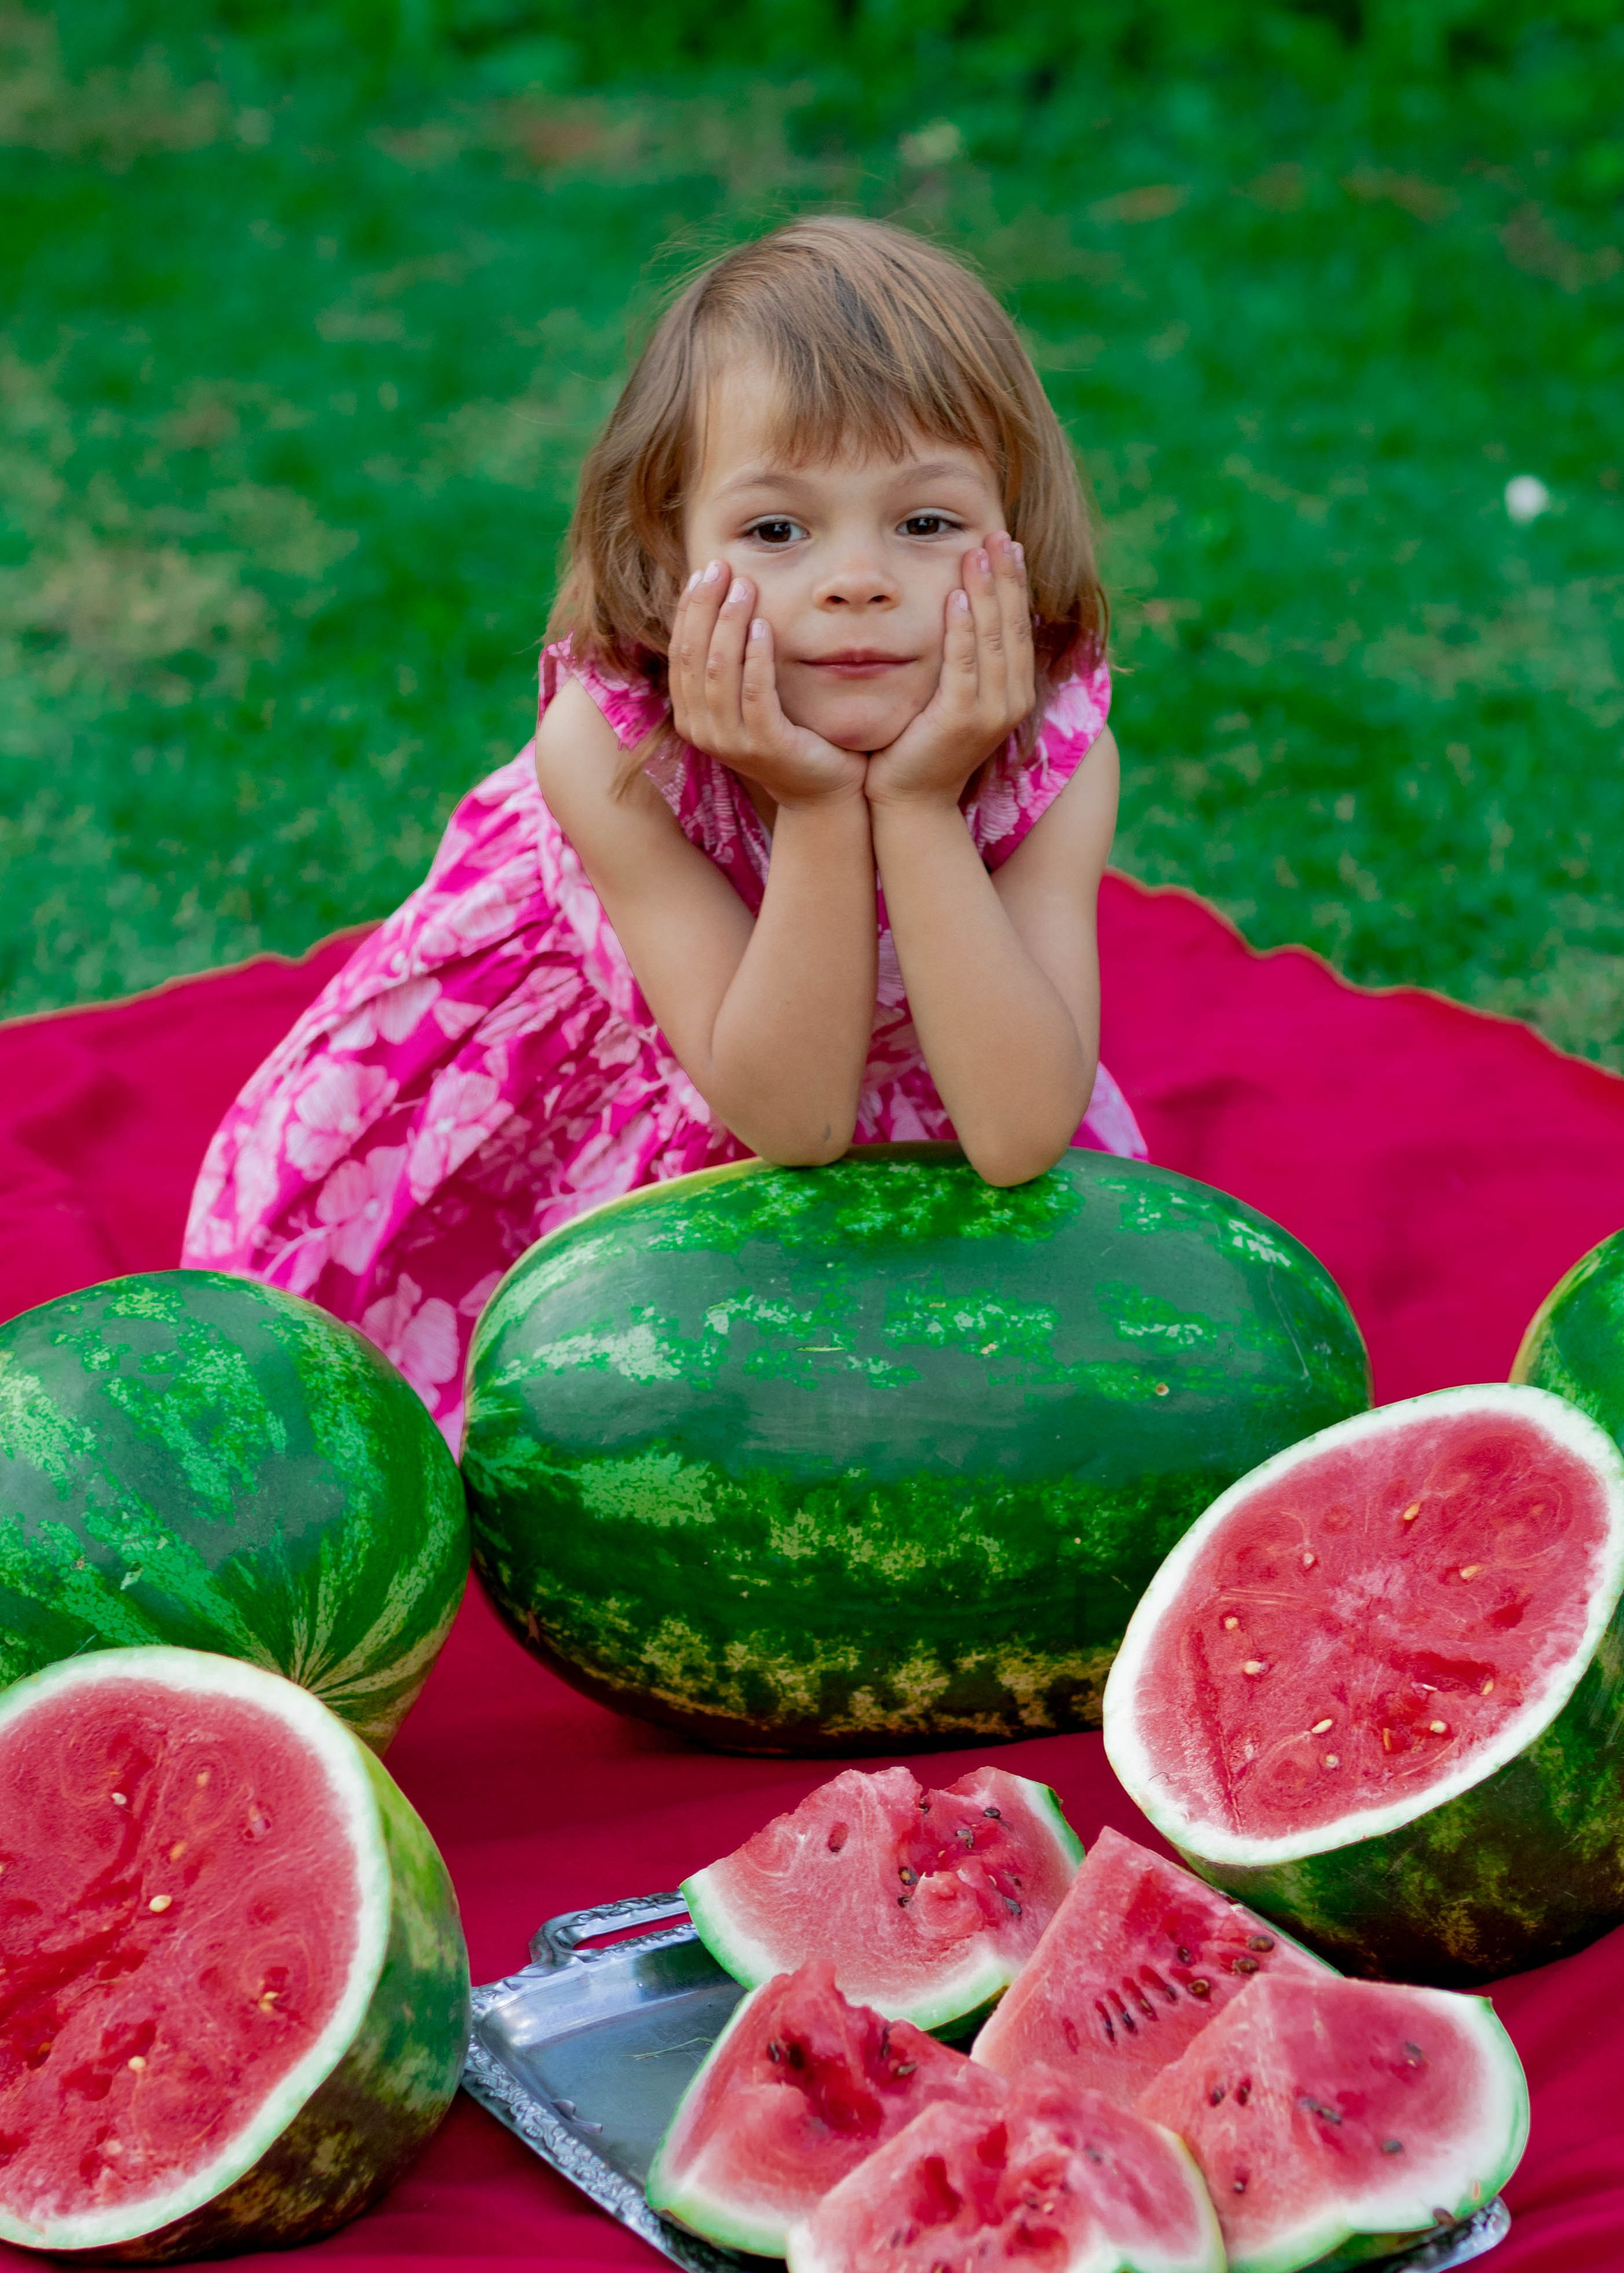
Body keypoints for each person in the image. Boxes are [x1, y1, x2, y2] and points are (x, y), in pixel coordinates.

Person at [183, 216, 1145, 1444]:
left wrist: (912, 805)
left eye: (924, 522)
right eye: (775, 531)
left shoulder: (1054, 752)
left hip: (938, 1090)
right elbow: (789, 1120)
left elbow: (1015, 1135)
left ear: (1012, 533)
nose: (856, 580)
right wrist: (810, 802)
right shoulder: (614, 747)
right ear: (664, 548)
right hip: (618, 1116)